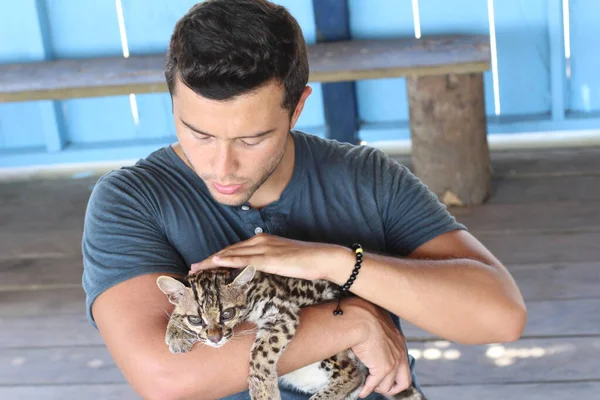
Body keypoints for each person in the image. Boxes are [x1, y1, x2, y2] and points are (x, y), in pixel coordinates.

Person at [81, 0, 527, 399]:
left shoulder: (365, 177)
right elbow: (165, 379)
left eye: (252, 139)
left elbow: (500, 317)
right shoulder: (131, 199)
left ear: (297, 109)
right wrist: (353, 320)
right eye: (199, 133)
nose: (222, 165)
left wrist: (335, 263)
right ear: (173, 102)